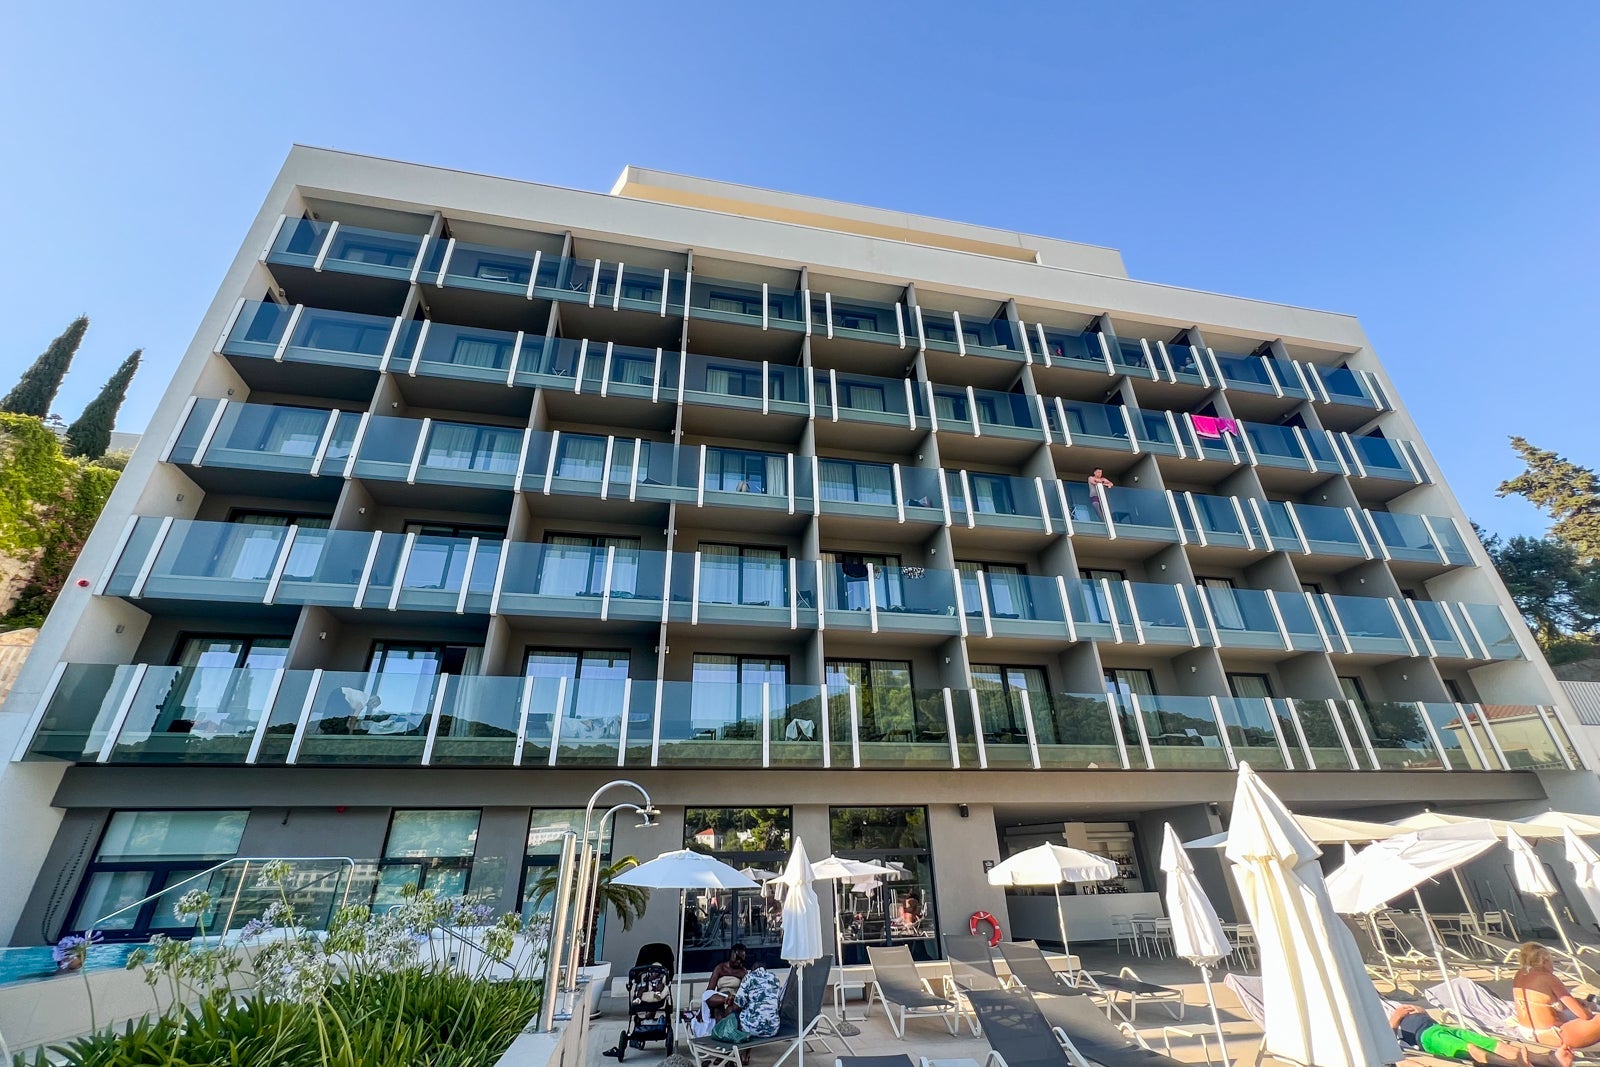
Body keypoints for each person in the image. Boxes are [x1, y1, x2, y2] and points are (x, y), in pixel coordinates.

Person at [1390, 1004, 1572, 1067]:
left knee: (1492, 1043)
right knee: (1471, 1049)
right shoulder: (1382, 1022)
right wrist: (1395, 1019)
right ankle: (1514, 1064)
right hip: (1427, 1037)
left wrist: (1423, 1012)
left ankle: (1549, 1060)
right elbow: (1388, 1044)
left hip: (1439, 1026)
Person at [1513, 942, 1600, 1053]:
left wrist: (1577, 1002)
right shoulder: (1548, 978)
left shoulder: (1520, 974)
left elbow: (1545, 1002)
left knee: (1586, 1006)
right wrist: (1589, 1012)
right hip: (1552, 1035)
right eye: (1551, 961)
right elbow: (1584, 1015)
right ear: (1544, 960)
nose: (1553, 966)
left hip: (1527, 1031)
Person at [704, 943, 748, 1021]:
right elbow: (709, 990)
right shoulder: (720, 968)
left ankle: (724, 1026)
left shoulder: (743, 972)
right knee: (715, 1006)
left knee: (730, 1010)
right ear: (732, 954)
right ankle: (727, 1000)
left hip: (734, 997)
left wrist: (734, 998)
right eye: (737, 958)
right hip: (720, 997)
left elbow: (745, 992)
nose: (738, 962)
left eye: (741, 960)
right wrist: (725, 998)